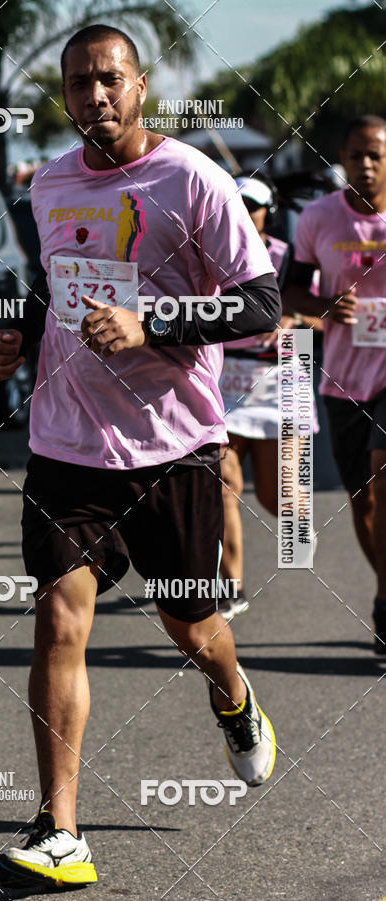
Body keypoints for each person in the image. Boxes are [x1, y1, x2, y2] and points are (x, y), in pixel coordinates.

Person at [0, 24, 280, 890]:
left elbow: (259, 301)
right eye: (78, 84)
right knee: (59, 622)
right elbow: (52, 290)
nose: (94, 97)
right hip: (67, 446)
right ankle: (59, 831)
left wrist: (157, 323)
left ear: (140, 86)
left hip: (173, 448)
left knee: (191, 628)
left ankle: (232, 693)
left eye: (109, 80)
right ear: (66, 96)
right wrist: (14, 341)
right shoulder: (49, 182)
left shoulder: (191, 178)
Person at [284, 114, 386, 656]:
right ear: (342, 159)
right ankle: (385, 590)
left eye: (375, 155)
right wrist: (325, 306)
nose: (365, 166)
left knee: (382, 478)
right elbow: (289, 293)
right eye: (355, 156)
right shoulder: (318, 218)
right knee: (364, 502)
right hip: (343, 379)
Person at [219, 176, 319, 620]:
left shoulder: (289, 257)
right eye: (238, 204)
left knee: (280, 500)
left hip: (285, 374)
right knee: (223, 485)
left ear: (269, 211)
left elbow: (325, 317)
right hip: (226, 378)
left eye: (254, 205)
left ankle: (300, 523)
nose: (246, 211)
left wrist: (296, 321)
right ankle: (230, 587)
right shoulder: (211, 255)